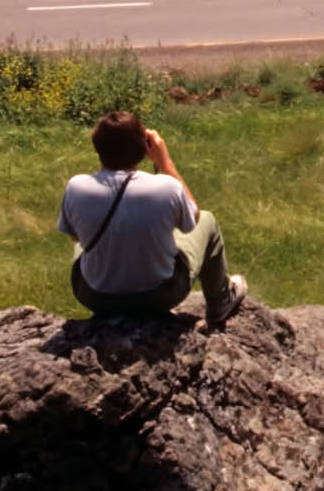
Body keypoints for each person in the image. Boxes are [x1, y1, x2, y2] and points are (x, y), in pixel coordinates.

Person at [58, 111, 248, 328]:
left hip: (95, 296)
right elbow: (192, 220)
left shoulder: (76, 186)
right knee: (207, 219)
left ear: (97, 147)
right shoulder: (166, 187)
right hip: (160, 296)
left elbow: (75, 236)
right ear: (145, 147)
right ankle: (220, 303)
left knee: (84, 242)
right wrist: (163, 161)